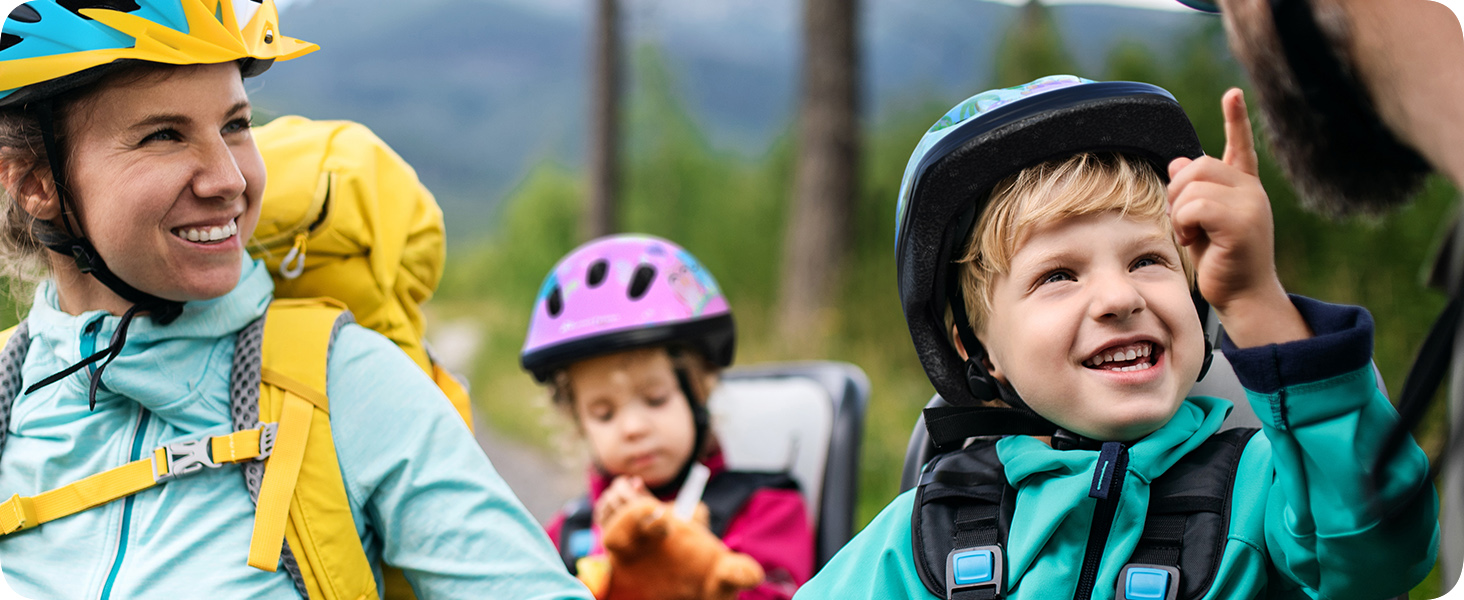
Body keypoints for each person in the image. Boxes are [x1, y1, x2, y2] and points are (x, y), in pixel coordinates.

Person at [0, 1, 590, 598]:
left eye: (235, 125)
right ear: (34, 183)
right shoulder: (8, 395)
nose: (229, 179)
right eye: (164, 135)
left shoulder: (346, 383)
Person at [793, 75, 1438, 599]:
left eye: (1148, 261)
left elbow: (1377, 552)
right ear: (976, 348)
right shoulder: (926, 535)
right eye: (1058, 276)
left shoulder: (1262, 492)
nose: (1119, 297)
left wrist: (1255, 298)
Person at [1173, 0, 1464, 586]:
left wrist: (1257, 306)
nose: (1236, 34)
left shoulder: (1250, 482)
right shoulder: (943, 498)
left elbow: (1369, 560)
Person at [521, 234, 814, 600]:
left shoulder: (766, 508)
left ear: (699, 393)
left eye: (656, 400)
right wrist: (606, 556)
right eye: (604, 414)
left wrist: (684, 560)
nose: (633, 428)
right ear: (580, 425)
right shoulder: (568, 532)